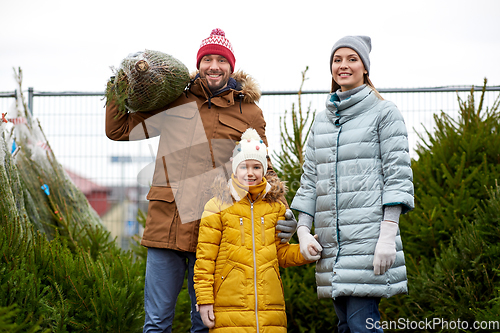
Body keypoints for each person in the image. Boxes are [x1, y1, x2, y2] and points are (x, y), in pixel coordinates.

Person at [105, 29, 297, 333]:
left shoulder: (249, 112)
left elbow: (264, 167)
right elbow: (119, 129)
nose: (214, 66)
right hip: (166, 224)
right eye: (207, 59)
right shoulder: (174, 100)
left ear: (231, 67)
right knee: (156, 324)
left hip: (215, 229)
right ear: (199, 64)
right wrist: (117, 86)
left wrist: (283, 210)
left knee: (204, 324)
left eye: (221, 60)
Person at [290, 35, 414, 333]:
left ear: (365, 68)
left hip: (369, 244)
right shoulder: (322, 121)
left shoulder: (385, 113)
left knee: (362, 326)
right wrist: (303, 230)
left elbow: (397, 177)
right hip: (331, 248)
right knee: (347, 326)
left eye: (351, 59)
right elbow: (310, 181)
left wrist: (387, 236)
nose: (343, 65)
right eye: (337, 60)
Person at [193, 128, 315, 332]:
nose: (250, 172)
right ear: (234, 168)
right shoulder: (216, 206)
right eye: (244, 166)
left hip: (270, 311)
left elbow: (280, 254)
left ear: (264, 170)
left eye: (256, 167)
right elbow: (205, 260)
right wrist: (204, 300)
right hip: (228, 311)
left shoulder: (275, 207)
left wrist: (304, 251)